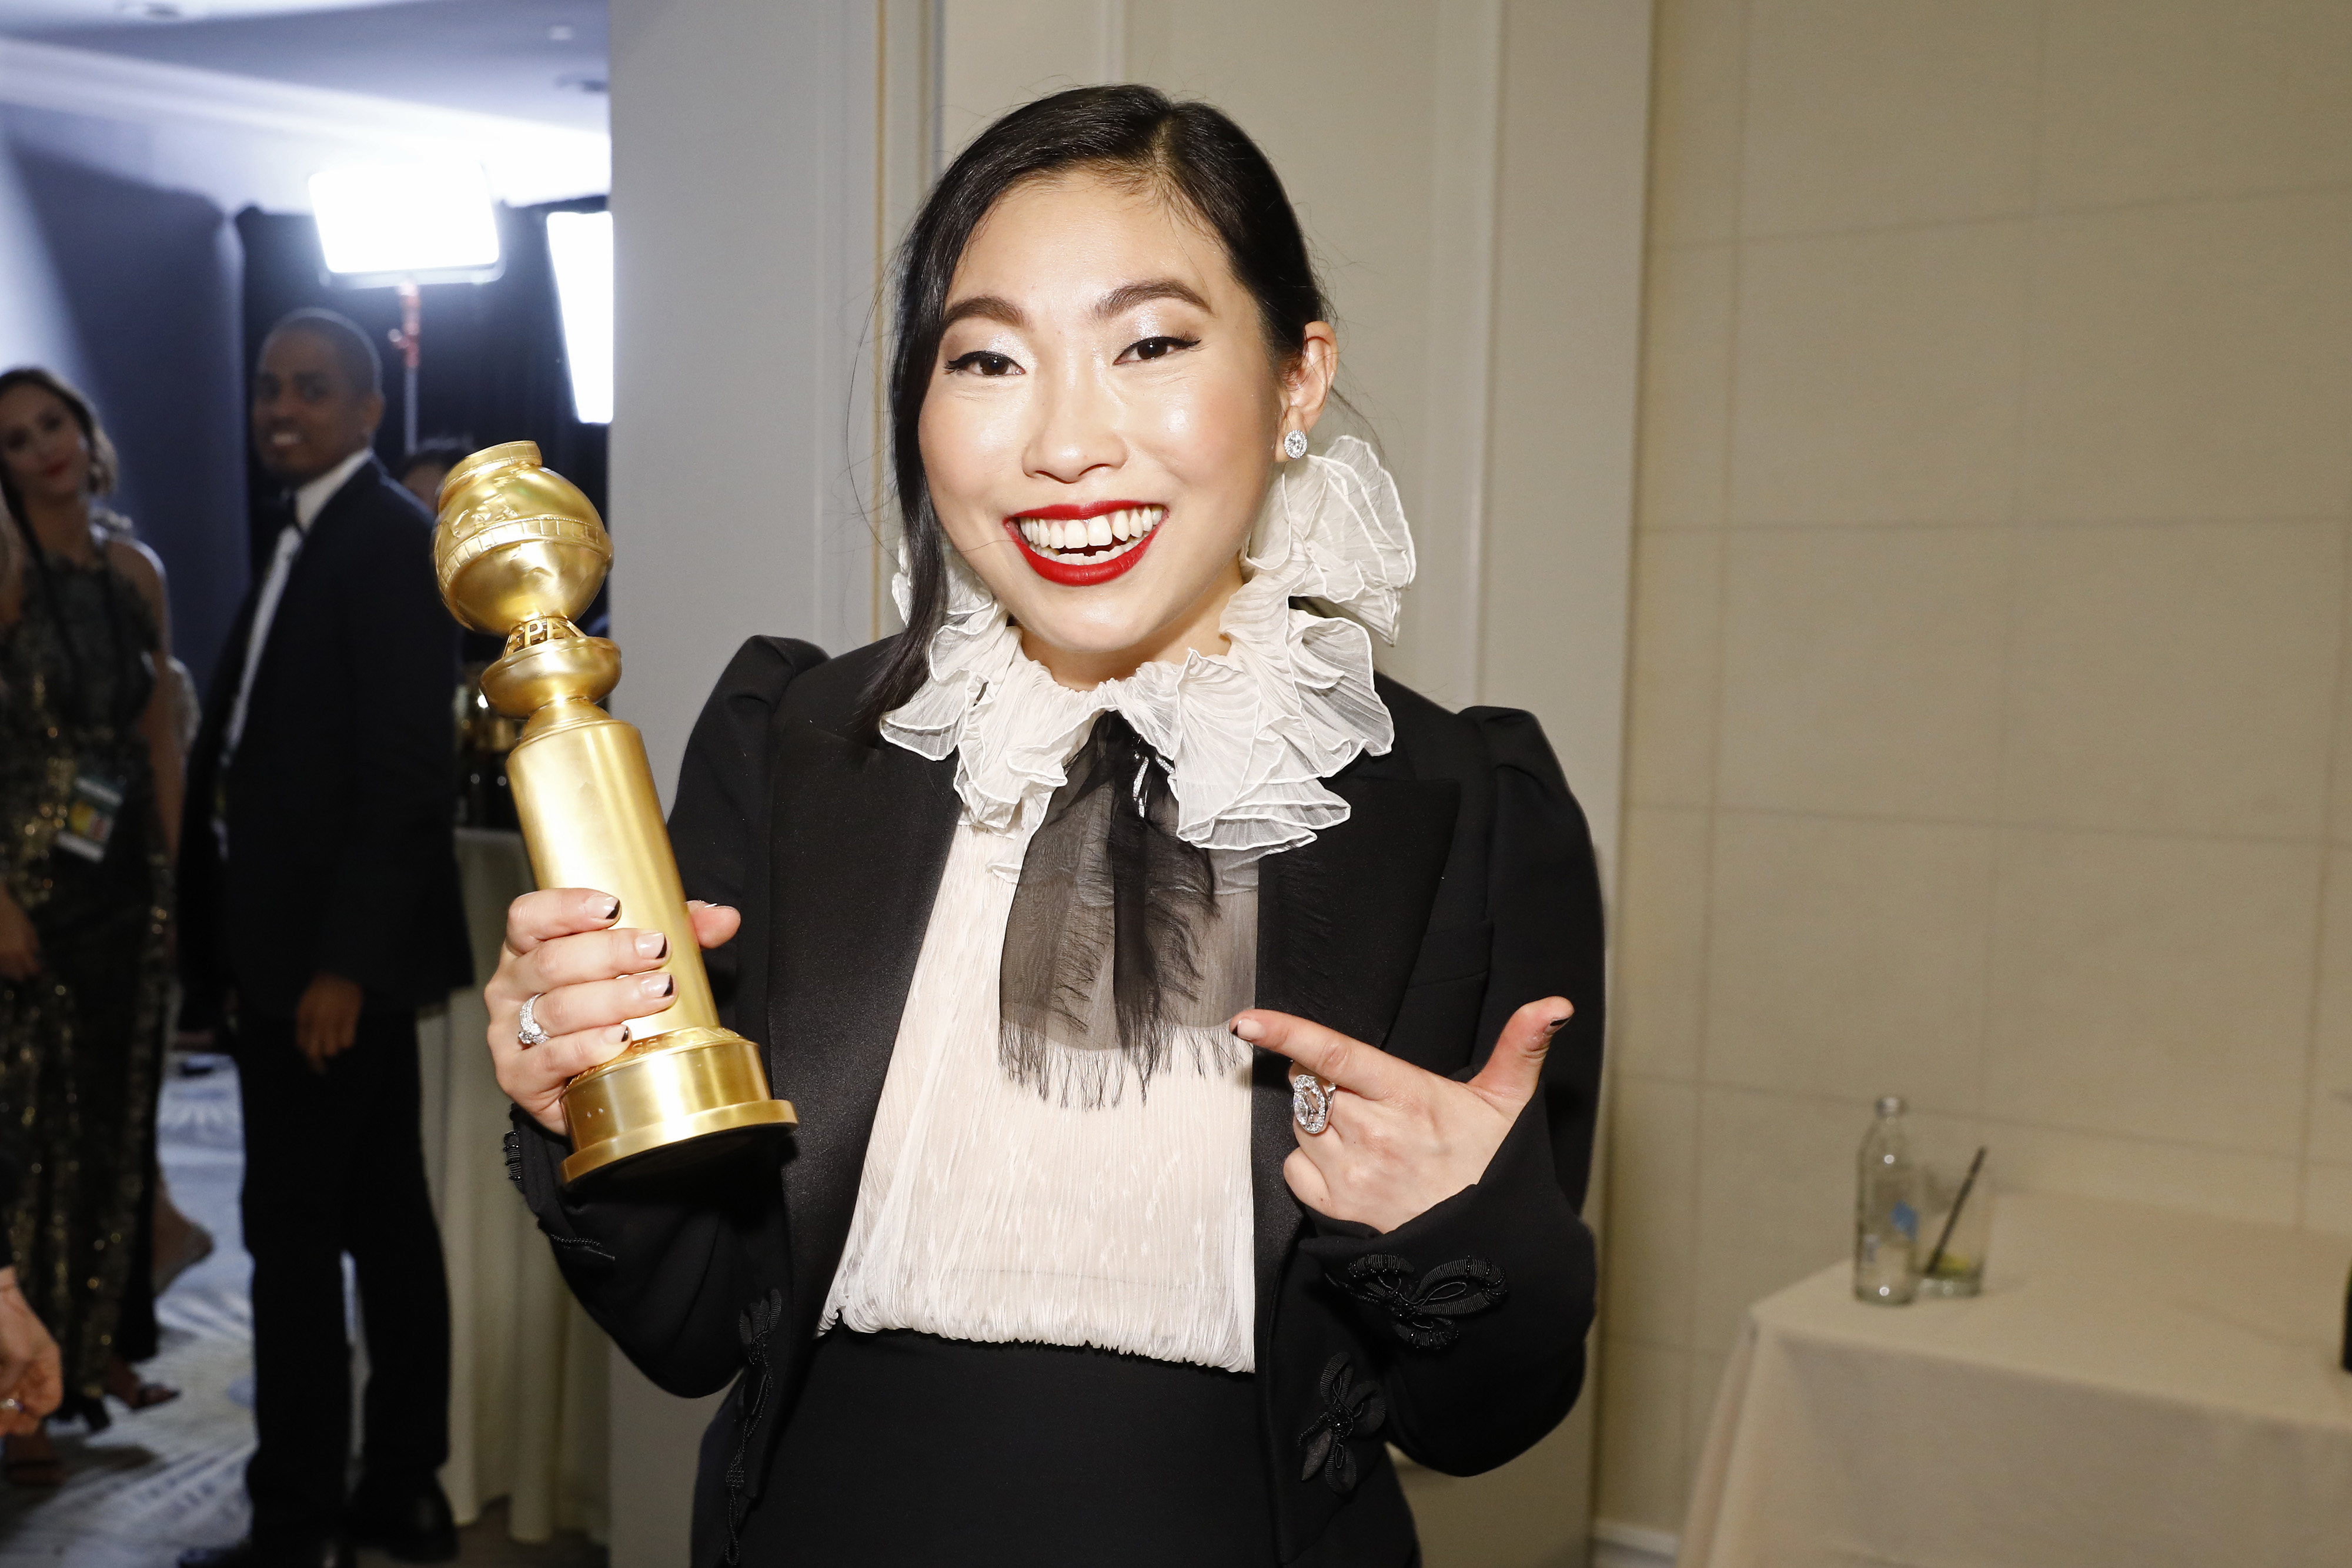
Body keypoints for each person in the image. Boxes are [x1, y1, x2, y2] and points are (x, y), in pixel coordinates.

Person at [486, 86, 1605, 1567]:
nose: (1066, 441)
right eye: (988, 358)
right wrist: (576, 1107)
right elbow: (692, 1325)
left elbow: (1476, 1416)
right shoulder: (799, 749)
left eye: (1150, 344)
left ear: (1295, 378)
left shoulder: (1465, 809)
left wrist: (1459, 1224)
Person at [176, 311, 470, 1568]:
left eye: (309, 389)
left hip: (326, 974)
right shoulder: (313, 533)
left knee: (298, 1242)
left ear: (366, 411)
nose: (278, 408)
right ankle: (394, 1490)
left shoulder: (389, 540)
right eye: (265, 387)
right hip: (285, 958)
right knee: (381, 1222)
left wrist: (341, 965)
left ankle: (296, 1521)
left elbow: (407, 771)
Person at [0, 366, 185, 1483]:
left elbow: (158, 733)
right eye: (15, 440)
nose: (43, 449)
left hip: (123, 877)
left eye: (53, 424)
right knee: (28, 1134)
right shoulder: (6, 568)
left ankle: (94, 1348)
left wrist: (175, 891)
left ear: (85, 429)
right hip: (26, 882)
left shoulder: (135, 570)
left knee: (119, 1119)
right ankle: (18, 1378)